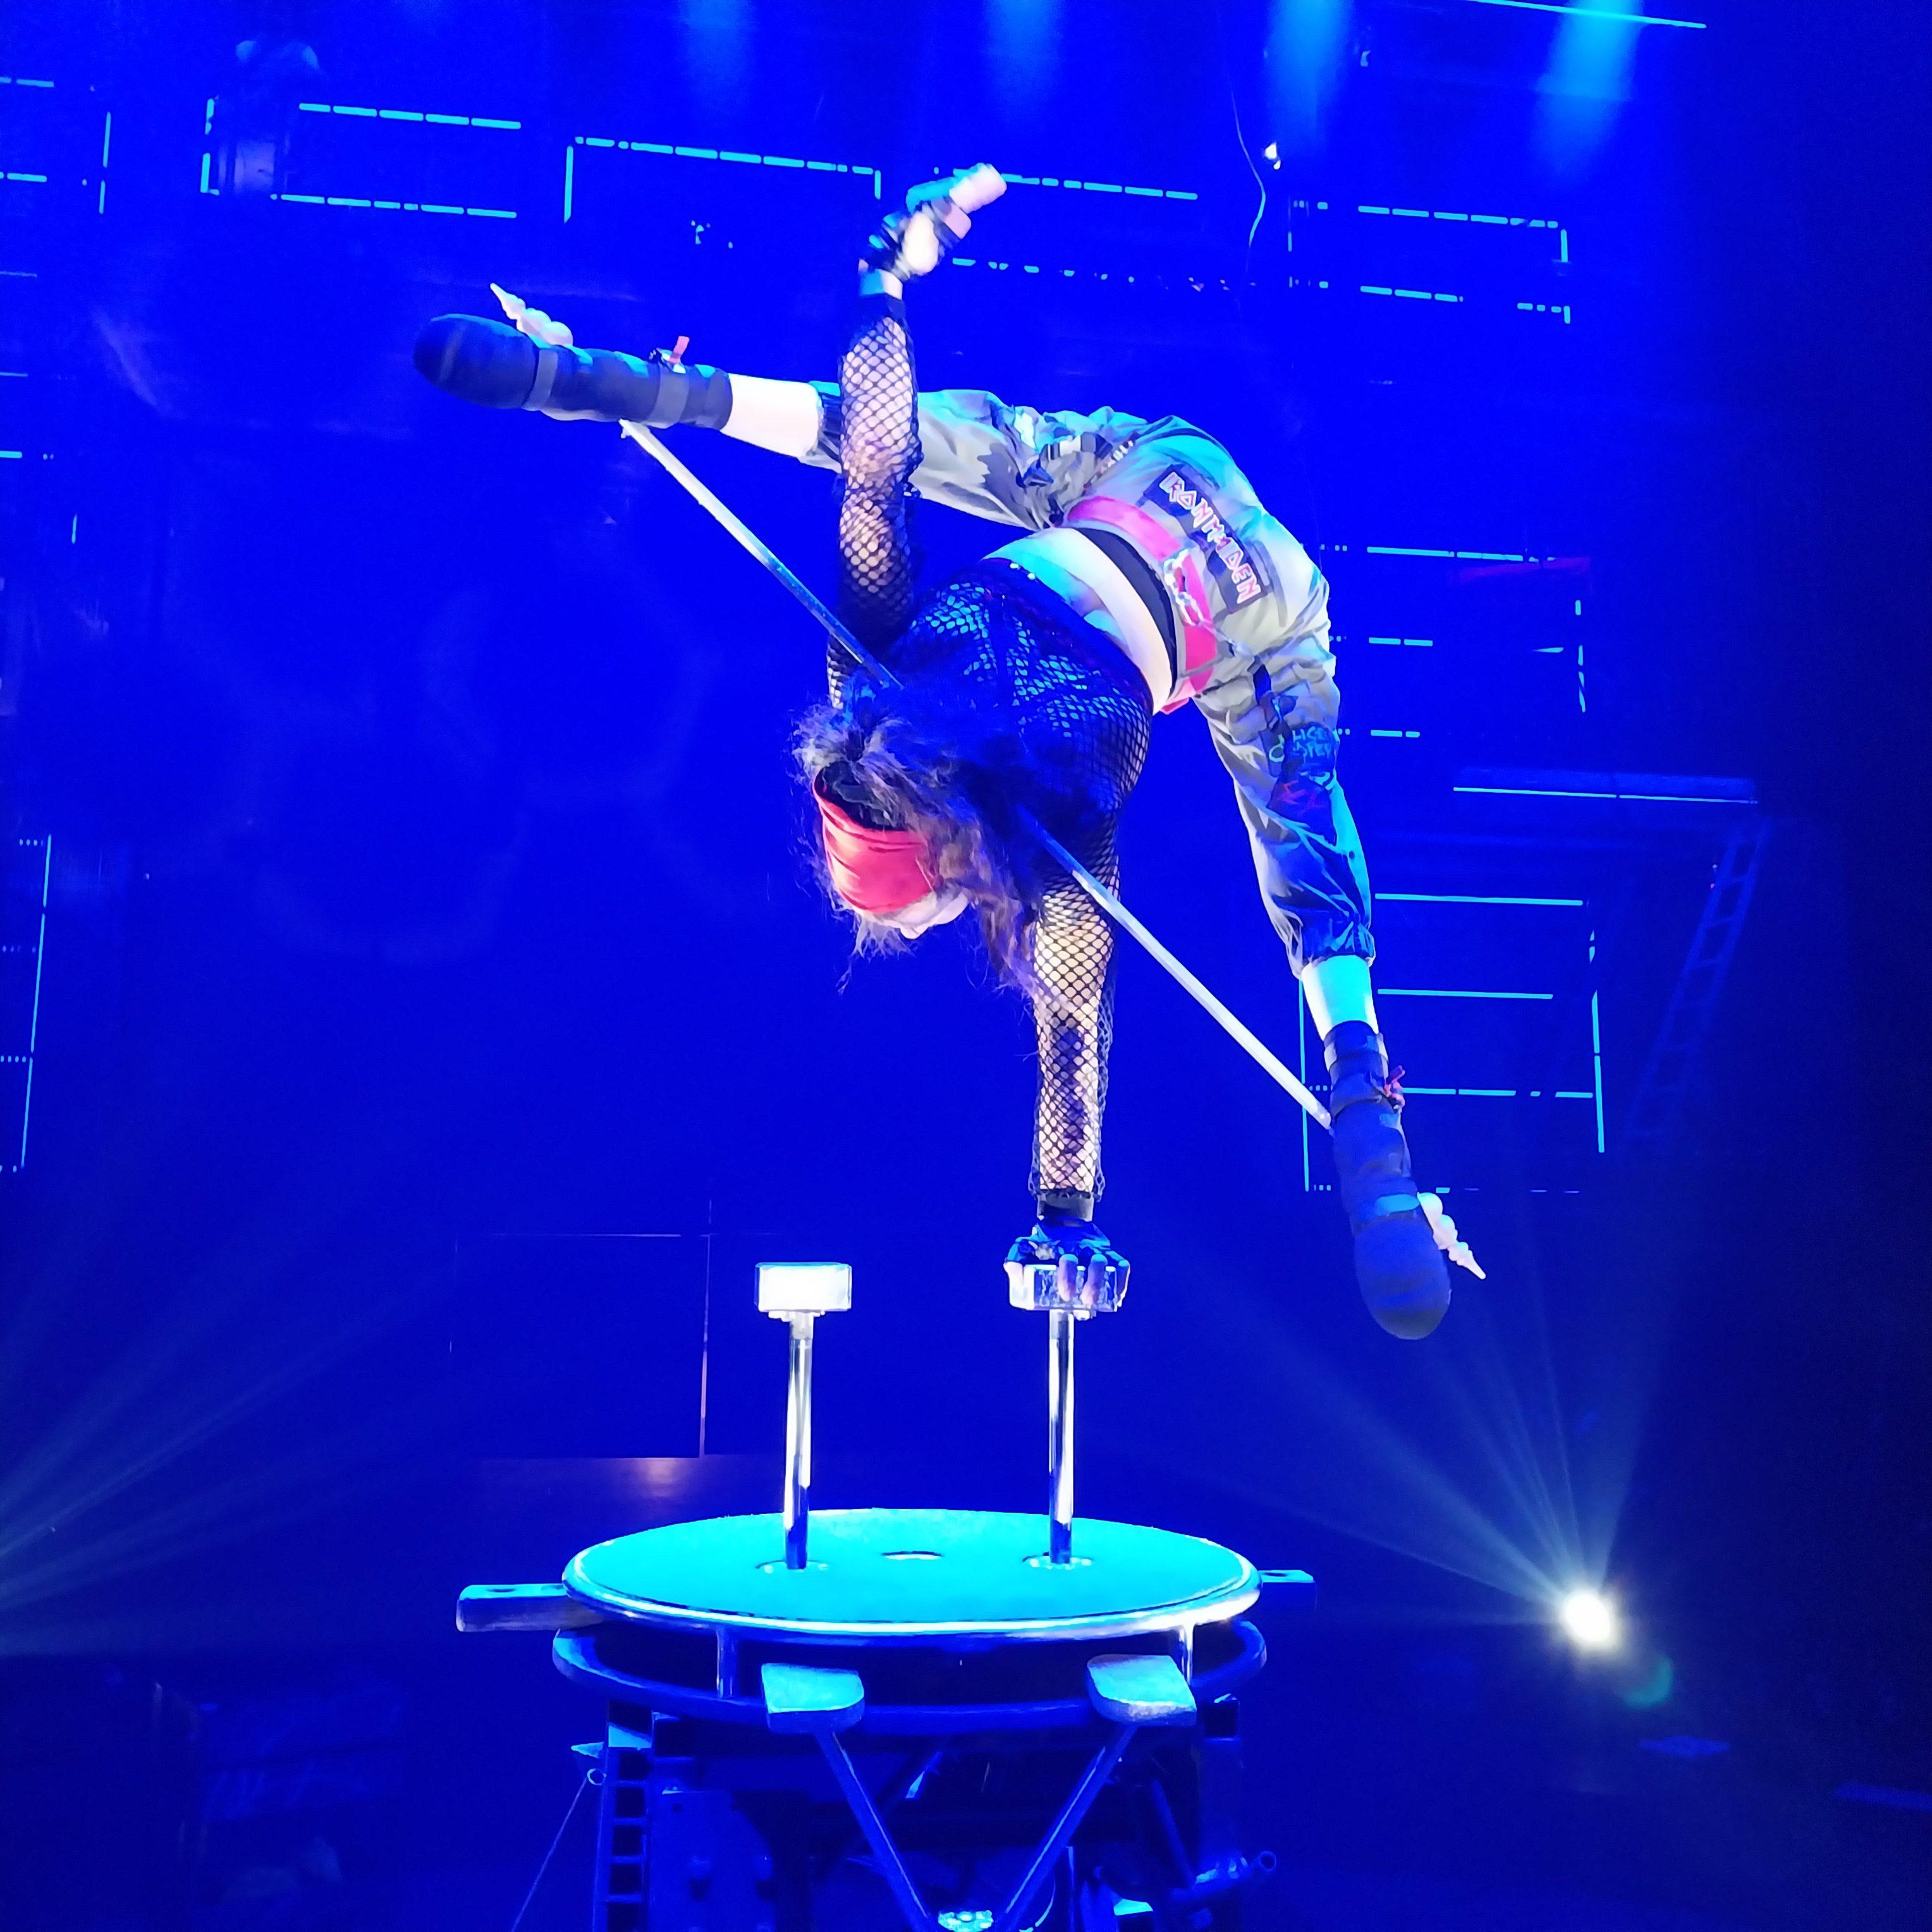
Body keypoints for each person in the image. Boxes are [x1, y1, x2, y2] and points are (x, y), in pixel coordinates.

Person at [483, 168, 1470, 1338]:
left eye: (909, 917)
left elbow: (1072, 1029)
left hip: (1248, 618)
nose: (909, 930)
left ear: (946, 873)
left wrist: (1069, 1213)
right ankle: (1364, 1084)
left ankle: (1363, 1071)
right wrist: (873, 288)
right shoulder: (880, 688)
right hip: (1145, 486)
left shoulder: (1066, 832)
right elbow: (879, 470)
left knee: (1296, 821)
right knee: (901, 466)